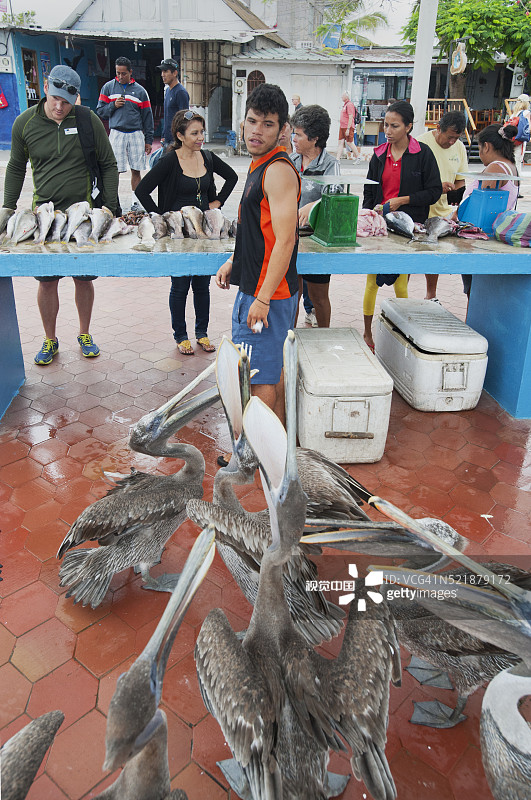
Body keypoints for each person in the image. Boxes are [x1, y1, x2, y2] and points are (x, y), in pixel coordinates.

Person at [3, 64, 119, 366]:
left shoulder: (87, 120)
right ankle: (50, 339)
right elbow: (16, 167)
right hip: (45, 214)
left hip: (81, 216)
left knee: (83, 279)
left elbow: (108, 163)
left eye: (66, 102)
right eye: (55, 98)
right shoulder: (24, 123)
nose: (59, 106)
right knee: (47, 281)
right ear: (45, 88)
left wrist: (109, 205)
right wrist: (7, 206)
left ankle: (84, 333)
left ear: (76, 98)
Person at [215, 83, 300, 441]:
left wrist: (262, 298)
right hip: (261, 285)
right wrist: (235, 260)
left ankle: (258, 453)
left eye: (267, 124)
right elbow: (258, 228)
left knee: (258, 375)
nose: (256, 131)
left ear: (281, 129)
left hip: (270, 292)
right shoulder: (258, 163)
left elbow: (285, 240)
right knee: (272, 370)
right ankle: (276, 445)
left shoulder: (278, 170)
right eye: (252, 122)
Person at [135, 109, 237, 355]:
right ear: (180, 135)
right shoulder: (169, 160)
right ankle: (180, 335)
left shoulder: (208, 158)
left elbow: (232, 177)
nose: (201, 137)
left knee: (202, 286)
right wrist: (162, 216)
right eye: (194, 133)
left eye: (202, 131)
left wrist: (218, 202)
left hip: (205, 234)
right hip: (180, 236)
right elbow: (142, 190)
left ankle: (202, 333)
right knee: (180, 286)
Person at [362, 100, 442, 351]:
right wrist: (369, 212)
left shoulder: (423, 154)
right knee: (372, 280)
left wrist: (403, 201)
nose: (388, 130)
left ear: (408, 126)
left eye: (394, 126)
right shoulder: (378, 155)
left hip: (409, 228)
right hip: (381, 227)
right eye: (386, 124)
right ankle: (367, 334)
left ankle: (403, 333)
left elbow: (434, 191)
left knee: (401, 281)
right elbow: (369, 191)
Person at [291, 104, 341, 328]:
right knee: (292, 295)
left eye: (298, 134)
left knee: (319, 297)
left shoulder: (330, 165)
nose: (293, 138)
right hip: (290, 239)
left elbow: (336, 199)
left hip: (317, 240)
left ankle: (325, 337)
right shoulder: (291, 161)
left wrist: (313, 206)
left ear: (315, 138)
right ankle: (288, 338)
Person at [459, 122, 519, 298]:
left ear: (487, 146)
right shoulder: (510, 166)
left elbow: (480, 204)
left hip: (479, 238)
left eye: (479, 148)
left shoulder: (495, 168)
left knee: (474, 292)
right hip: (492, 238)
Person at [418, 111, 467, 301]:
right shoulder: (421, 144)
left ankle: (431, 295)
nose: (452, 142)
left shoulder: (459, 148)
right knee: (410, 257)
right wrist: (437, 188)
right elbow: (413, 182)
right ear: (438, 128)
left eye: (456, 138)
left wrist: (457, 204)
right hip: (422, 209)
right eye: (449, 137)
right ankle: (402, 296)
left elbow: (461, 180)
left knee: (435, 257)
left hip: (445, 213)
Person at [97, 56, 154, 208]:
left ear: (130, 72)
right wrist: (113, 106)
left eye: (124, 73)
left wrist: (148, 140)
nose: (120, 77)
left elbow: (148, 117)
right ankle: (114, 203)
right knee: (114, 170)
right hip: (116, 133)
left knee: (136, 169)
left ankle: (136, 202)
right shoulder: (108, 88)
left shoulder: (140, 91)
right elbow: (100, 112)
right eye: (118, 73)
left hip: (136, 133)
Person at [156, 59, 189, 153]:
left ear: (175, 73)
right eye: (162, 72)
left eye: (165, 71)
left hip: (176, 140)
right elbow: (167, 115)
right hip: (167, 139)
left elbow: (184, 118)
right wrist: (163, 135)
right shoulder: (168, 91)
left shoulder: (180, 92)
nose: (162, 74)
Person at [510, 94, 530, 179]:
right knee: (517, 164)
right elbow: (529, 128)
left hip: (511, 140)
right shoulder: (526, 113)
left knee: (511, 163)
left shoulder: (514, 114)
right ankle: (516, 187)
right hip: (520, 141)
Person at [337, 91, 361, 161]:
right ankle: (337, 159)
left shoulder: (349, 105)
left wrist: (348, 129)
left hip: (348, 126)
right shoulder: (345, 105)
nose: (341, 97)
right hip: (342, 126)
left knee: (349, 142)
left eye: (343, 96)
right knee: (340, 142)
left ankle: (358, 156)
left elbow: (351, 117)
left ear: (346, 97)